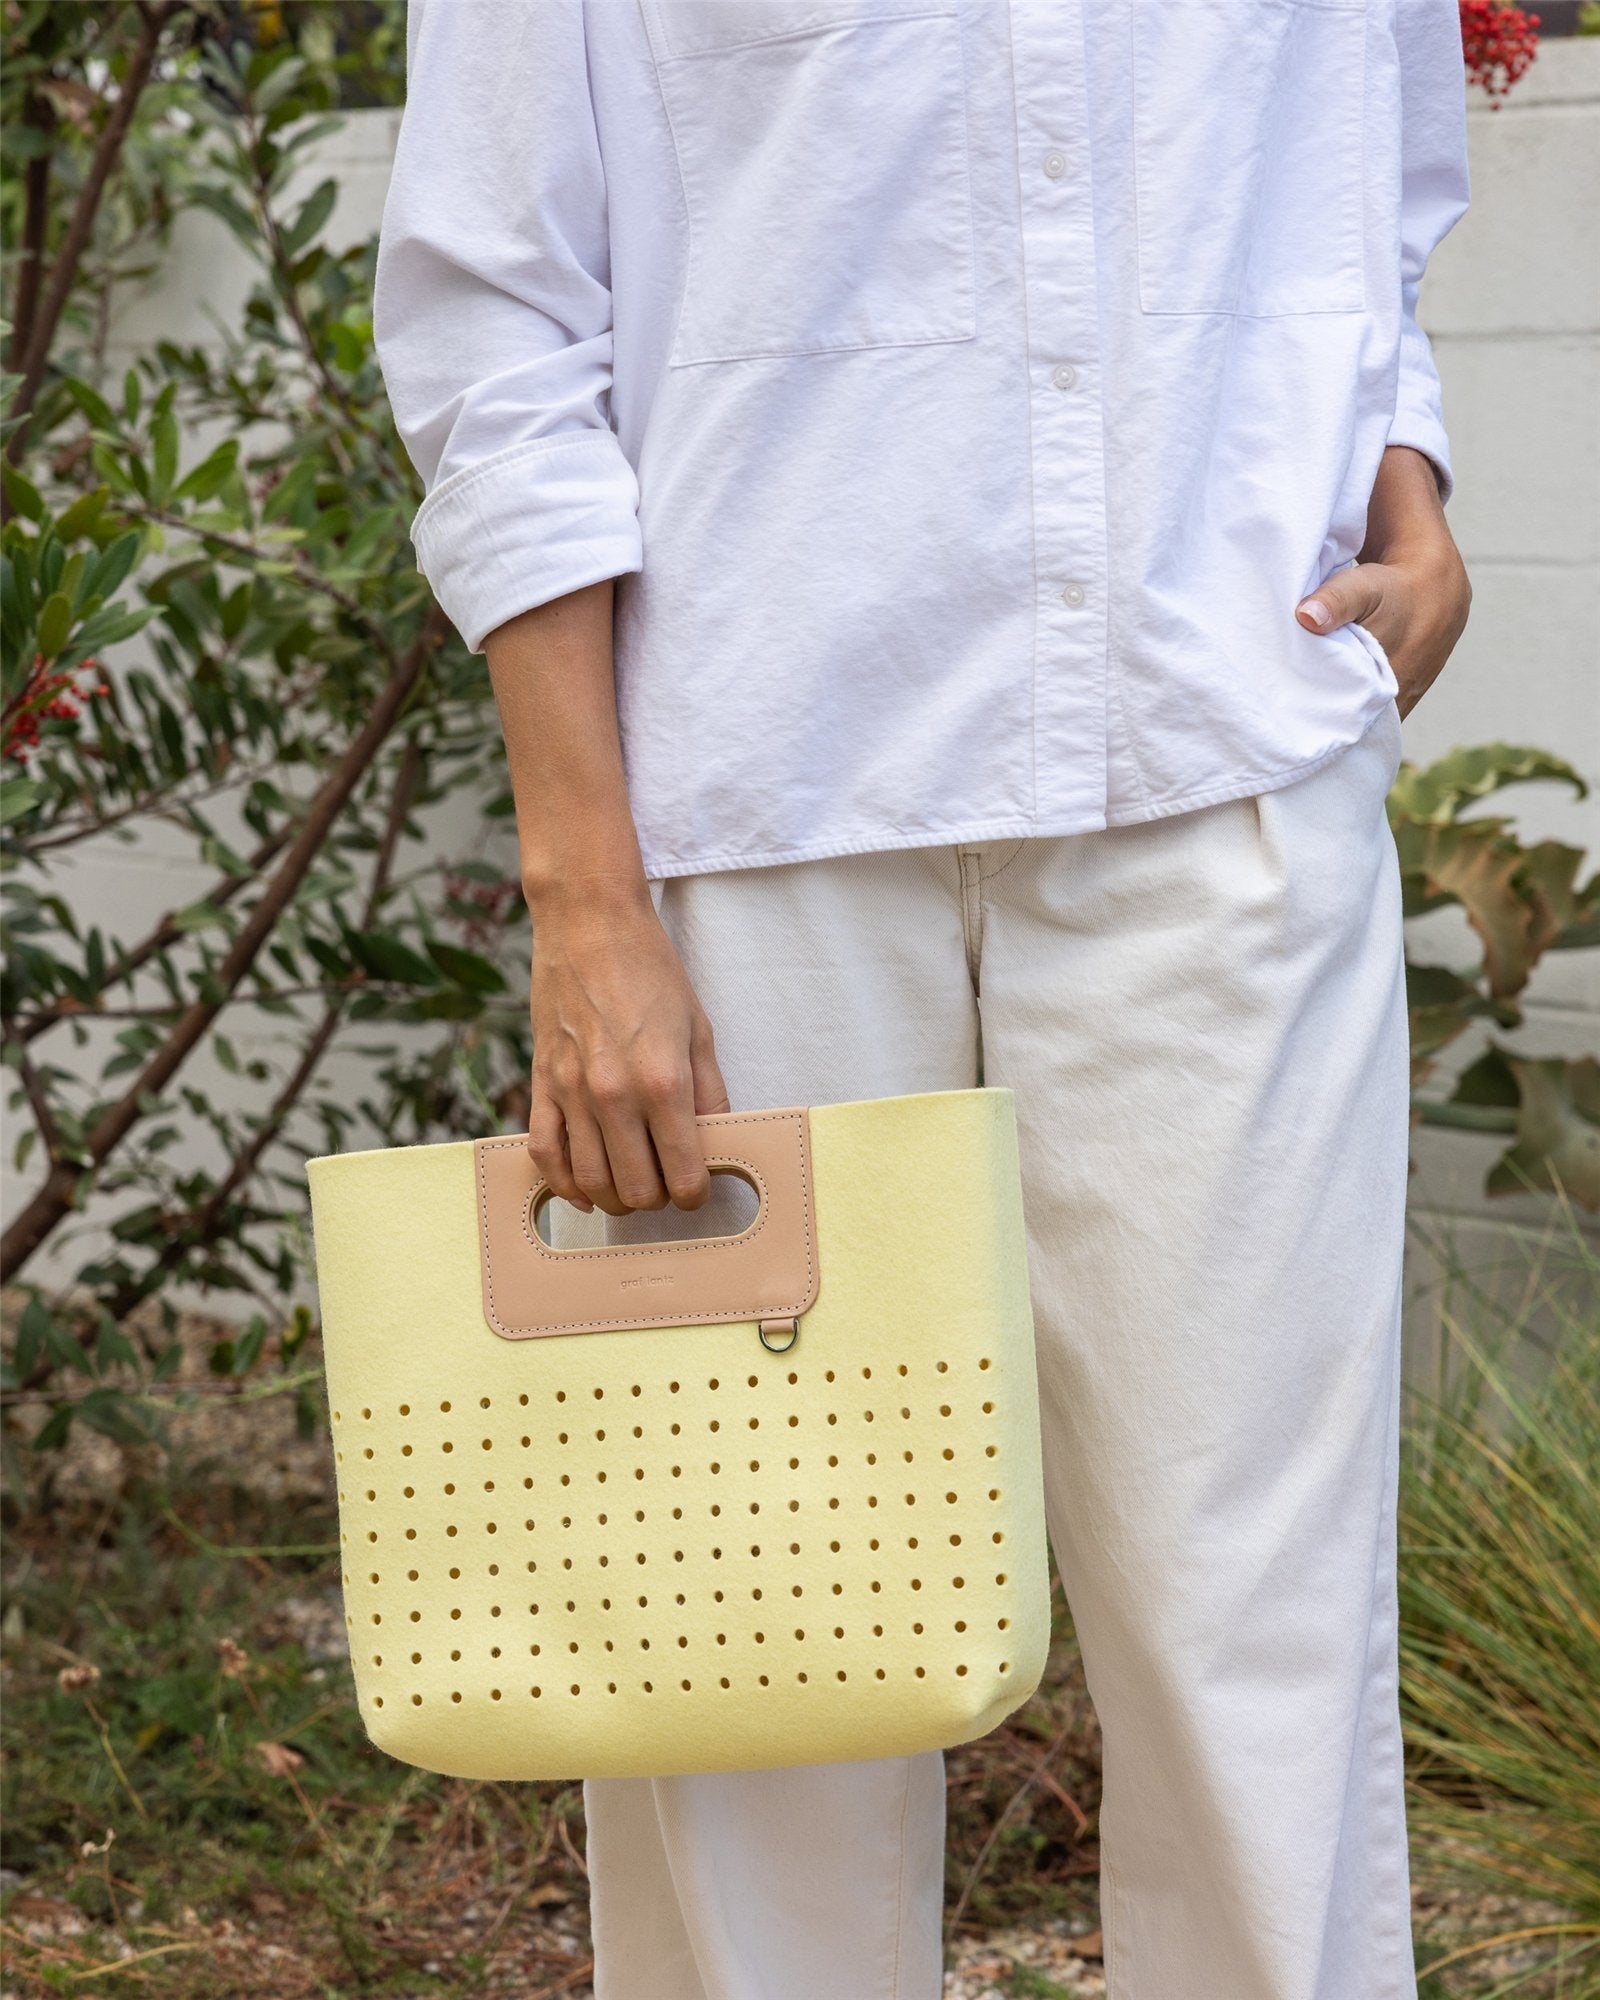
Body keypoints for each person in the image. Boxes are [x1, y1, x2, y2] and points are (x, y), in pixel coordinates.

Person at [372, 3, 1472, 1994]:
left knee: (1256, 1638)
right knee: (747, 1663)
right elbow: (495, 310)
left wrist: (1403, 459)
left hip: (1212, 768)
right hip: (759, 803)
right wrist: (583, 891)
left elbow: (1361, 164)